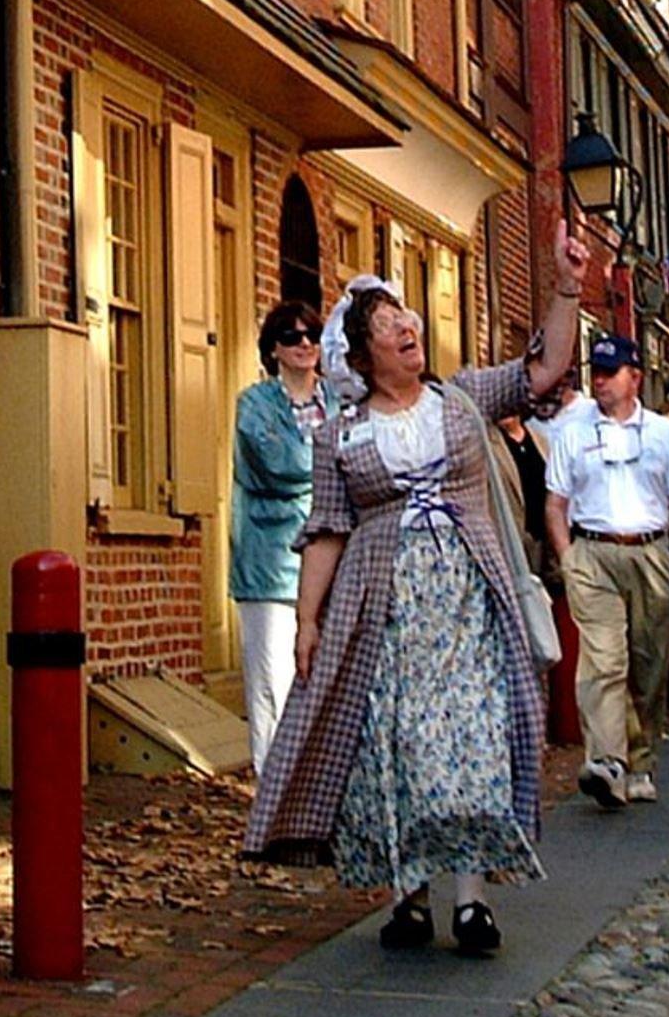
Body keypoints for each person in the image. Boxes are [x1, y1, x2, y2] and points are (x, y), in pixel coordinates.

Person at [244, 233, 590, 956]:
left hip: (469, 599)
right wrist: (308, 620)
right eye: (388, 326)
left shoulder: (460, 400)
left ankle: (471, 901)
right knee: (396, 743)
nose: (408, 329)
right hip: (384, 608)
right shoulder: (341, 433)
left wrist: (565, 288)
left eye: (407, 318)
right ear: (363, 357)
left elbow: (546, 367)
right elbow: (328, 528)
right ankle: (406, 896)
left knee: (470, 738)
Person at [539, 336, 669, 808]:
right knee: (604, 661)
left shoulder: (665, 436)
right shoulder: (573, 434)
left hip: (650, 551)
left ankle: (641, 758)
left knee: (648, 663)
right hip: (593, 550)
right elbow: (556, 503)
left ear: (636, 378)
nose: (601, 382)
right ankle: (607, 761)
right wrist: (568, 557)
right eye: (597, 374)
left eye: (611, 373)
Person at [231, 301, 330, 771]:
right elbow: (279, 464)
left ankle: (314, 791)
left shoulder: (338, 401)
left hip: (330, 560)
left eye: (311, 333)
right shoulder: (254, 404)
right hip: (269, 563)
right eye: (292, 337)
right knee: (273, 681)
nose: (304, 343)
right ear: (274, 349)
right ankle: (273, 789)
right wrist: (331, 463)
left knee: (324, 681)